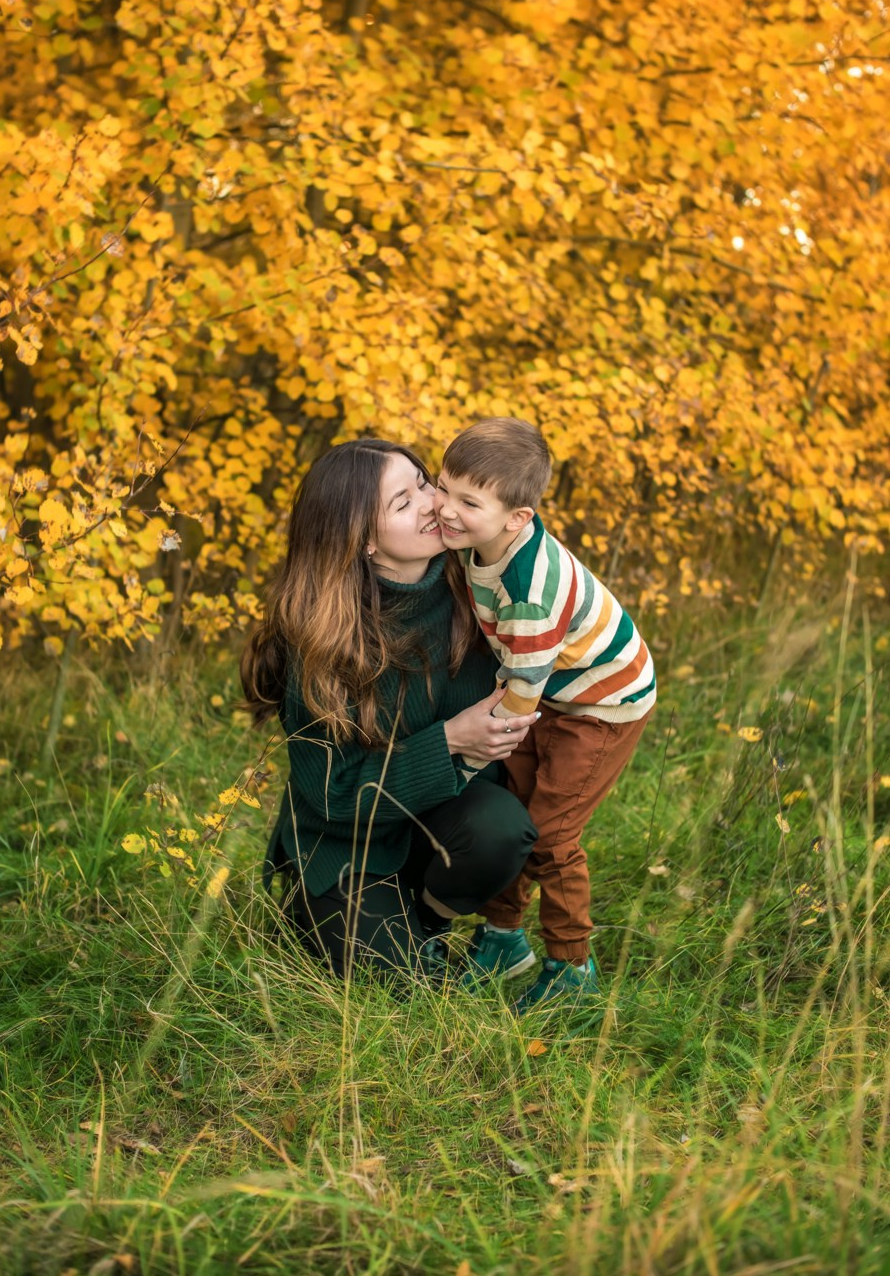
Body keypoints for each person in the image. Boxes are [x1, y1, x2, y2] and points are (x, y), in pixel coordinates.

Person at [240, 438, 540, 984]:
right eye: (404, 503)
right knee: (389, 977)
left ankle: (428, 917)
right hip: (345, 841)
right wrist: (448, 739)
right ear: (363, 544)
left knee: (501, 828)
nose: (434, 503)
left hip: (441, 824)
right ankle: (324, 908)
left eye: (425, 482)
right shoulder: (323, 638)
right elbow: (331, 793)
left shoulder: (481, 588)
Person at [433, 418, 656, 1013]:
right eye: (442, 486)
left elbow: (524, 686)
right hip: (550, 689)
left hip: (602, 703)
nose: (446, 509)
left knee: (553, 833)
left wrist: (482, 746)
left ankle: (572, 967)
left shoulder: (529, 585)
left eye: (467, 501)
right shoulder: (481, 545)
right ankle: (504, 938)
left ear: (518, 519)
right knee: (518, 808)